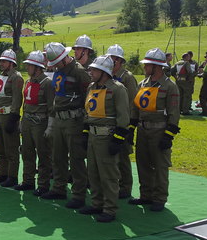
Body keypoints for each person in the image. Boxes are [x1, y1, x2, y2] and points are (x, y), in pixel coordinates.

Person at [41, 42, 91, 210]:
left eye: (55, 63)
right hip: (59, 119)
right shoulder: (59, 70)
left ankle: (78, 195)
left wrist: (85, 125)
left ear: (63, 59)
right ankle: (59, 188)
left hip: (74, 121)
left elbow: (88, 98)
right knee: (58, 156)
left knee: (76, 159)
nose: (53, 67)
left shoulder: (79, 72)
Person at [80, 56, 130, 223]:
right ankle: (96, 204)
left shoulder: (117, 89)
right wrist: (85, 132)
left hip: (107, 137)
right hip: (93, 137)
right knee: (93, 173)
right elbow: (88, 112)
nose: (91, 72)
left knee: (108, 175)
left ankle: (109, 209)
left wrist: (117, 139)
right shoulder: (91, 87)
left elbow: (123, 117)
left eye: (94, 70)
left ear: (104, 72)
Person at [129, 48, 180, 212]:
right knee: (142, 164)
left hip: (159, 132)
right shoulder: (142, 84)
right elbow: (136, 109)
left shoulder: (170, 86)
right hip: (143, 131)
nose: (145, 68)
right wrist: (131, 128)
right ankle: (146, 195)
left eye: (147, 65)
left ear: (157, 67)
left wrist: (168, 136)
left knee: (160, 166)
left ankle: (159, 198)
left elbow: (174, 113)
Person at [16, 51, 54, 195]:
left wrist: (50, 126)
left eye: (30, 65)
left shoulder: (48, 83)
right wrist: (22, 120)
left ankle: (43, 184)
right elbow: (25, 103)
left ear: (38, 67)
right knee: (26, 152)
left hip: (40, 123)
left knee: (44, 155)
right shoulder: (28, 81)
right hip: (27, 120)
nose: (27, 68)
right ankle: (28, 181)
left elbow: (52, 108)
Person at [0, 49, 24, 187]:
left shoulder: (16, 77)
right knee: (0, 147)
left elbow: (17, 98)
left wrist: (14, 117)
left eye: (4, 61)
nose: (1, 64)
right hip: (0, 114)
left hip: (9, 115)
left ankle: (12, 176)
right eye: (1, 61)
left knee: (11, 148)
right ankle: (2, 173)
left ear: (11, 63)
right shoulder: (1, 76)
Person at [108, 44, 138, 199]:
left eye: (112, 58)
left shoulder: (127, 77)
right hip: (111, 121)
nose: (110, 61)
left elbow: (133, 103)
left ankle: (125, 187)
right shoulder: (108, 76)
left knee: (123, 156)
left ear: (119, 60)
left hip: (124, 123)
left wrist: (130, 127)